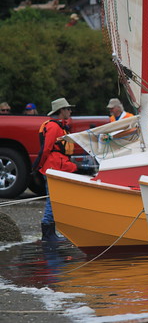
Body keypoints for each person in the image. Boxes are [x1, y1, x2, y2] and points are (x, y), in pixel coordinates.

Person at [33, 98, 77, 241]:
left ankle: (51, 233)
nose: (70, 111)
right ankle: (48, 234)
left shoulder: (62, 126)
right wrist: (38, 166)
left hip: (59, 167)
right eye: (68, 109)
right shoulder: (53, 127)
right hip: (53, 168)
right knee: (52, 200)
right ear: (61, 111)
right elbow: (46, 149)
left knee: (56, 199)